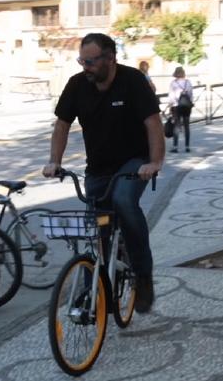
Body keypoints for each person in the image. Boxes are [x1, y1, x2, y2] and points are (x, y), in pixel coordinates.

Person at [42, 33, 164, 313]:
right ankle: (95, 288)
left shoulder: (132, 81)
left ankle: (143, 276)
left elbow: (153, 123)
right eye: (82, 60)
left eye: (91, 61)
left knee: (123, 200)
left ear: (110, 59)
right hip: (98, 167)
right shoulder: (76, 85)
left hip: (135, 161)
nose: (85, 66)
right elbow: (61, 124)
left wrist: (155, 162)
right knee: (96, 228)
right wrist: (54, 161)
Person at [168, 66, 193, 153]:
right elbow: (190, 94)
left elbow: (171, 96)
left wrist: (171, 105)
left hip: (176, 106)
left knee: (176, 126)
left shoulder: (173, 83)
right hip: (187, 106)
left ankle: (175, 147)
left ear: (175, 74)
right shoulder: (188, 82)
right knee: (187, 125)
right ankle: (187, 146)